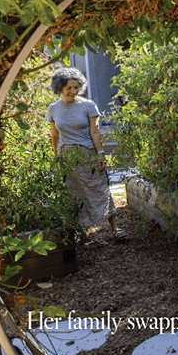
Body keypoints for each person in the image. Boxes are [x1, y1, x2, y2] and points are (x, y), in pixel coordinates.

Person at [46, 67, 126, 241]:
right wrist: (56, 158)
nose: (73, 91)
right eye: (69, 87)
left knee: (99, 189)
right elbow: (54, 135)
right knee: (72, 194)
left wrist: (101, 154)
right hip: (66, 156)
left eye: (76, 87)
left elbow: (95, 132)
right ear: (60, 88)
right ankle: (77, 233)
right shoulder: (53, 109)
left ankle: (115, 229)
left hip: (87, 154)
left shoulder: (88, 105)